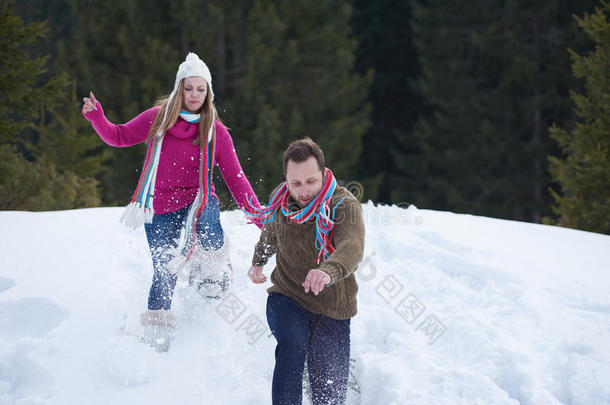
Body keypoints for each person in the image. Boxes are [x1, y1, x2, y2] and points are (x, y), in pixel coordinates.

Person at [82, 52, 261, 351]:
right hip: (159, 208)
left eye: (200, 89)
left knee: (207, 215)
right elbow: (120, 136)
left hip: (198, 201)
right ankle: (156, 343)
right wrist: (97, 117)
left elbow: (236, 178)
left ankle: (214, 273)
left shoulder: (216, 132)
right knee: (164, 272)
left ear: (209, 93)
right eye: (188, 88)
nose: (194, 95)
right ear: (179, 89)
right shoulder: (157, 119)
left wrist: (260, 216)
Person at [245, 138, 365, 405]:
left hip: (332, 307)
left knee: (329, 397)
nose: (304, 190)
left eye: (311, 181)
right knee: (292, 346)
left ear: (323, 173)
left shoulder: (343, 206)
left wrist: (328, 270)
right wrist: (258, 261)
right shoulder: (282, 199)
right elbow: (272, 231)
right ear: (286, 179)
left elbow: (352, 247)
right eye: (295, 183)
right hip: (287, 295)